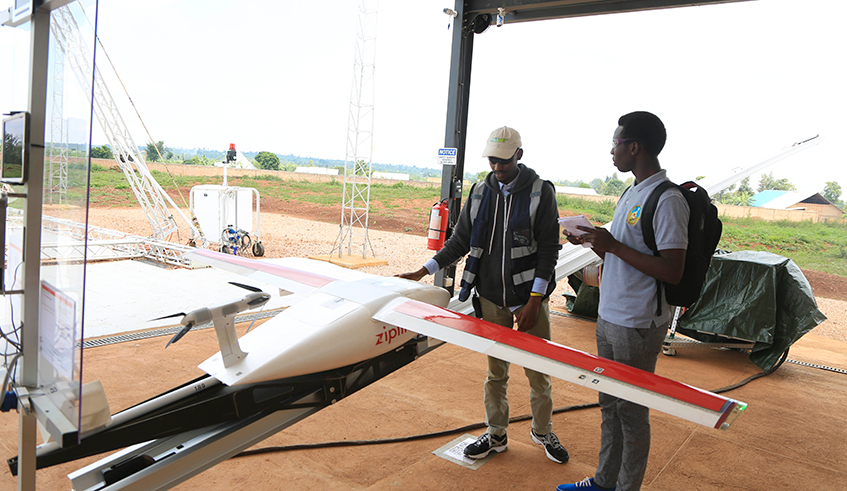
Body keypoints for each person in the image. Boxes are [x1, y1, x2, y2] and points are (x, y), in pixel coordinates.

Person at [397, 126, 569, 464]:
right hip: (490, 298)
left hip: (528, 301)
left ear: (519, 155)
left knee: (538, 369)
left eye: (503, 161)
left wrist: (535, 301)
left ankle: (543, 430)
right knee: (496, 372)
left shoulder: (540, 193)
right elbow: (460, 241)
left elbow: (549, 250)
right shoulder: (479, 193)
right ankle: (496, 433)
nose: (497, 167)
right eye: (492, 160)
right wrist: (424, 270)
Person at [557, 112, 689, 491]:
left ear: (634, 147)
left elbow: (672, 270)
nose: (611, 151)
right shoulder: (633, 192)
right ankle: (603, 483)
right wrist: (595, 241)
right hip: (611, 316)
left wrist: (612, 245)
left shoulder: (667, 200)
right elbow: (626, 251)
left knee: (631, 413)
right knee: (610, 406)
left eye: (616, 143)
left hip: (638, 323)